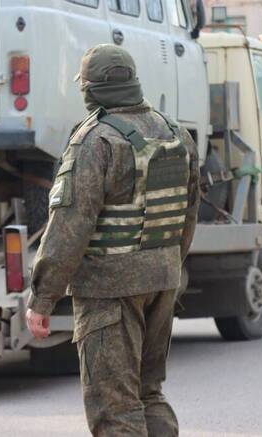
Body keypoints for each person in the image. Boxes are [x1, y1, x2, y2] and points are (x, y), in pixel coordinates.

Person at [26, 44, 200, 436]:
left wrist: (42, 298)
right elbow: (187, 217)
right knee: (148, 393)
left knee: (114, 408)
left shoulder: (95, 140)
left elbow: (70, 225)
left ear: (91, 88)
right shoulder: (176, 135)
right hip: (162, 280)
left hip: (110, 291)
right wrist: (164, 266)